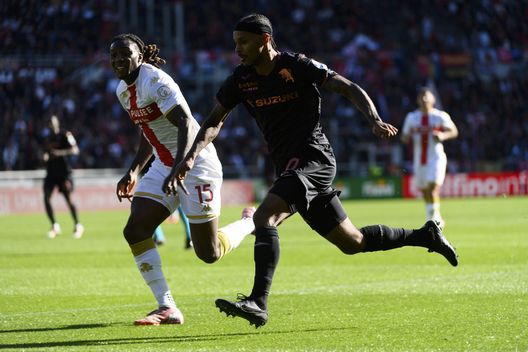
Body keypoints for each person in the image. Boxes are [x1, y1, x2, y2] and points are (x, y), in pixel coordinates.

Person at [170, 14, 459, 328]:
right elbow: (214, 121)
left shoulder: (296, 65)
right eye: (235, 42)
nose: (237, 49)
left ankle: (258, 302)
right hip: (289, 167)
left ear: (264, 40)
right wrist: (189, 157)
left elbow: (347, 87)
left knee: (263, 217)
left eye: (243, 42)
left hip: (314, 160)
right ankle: (425, 235)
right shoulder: (241, 79)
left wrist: (373, 119)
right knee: (353, 242)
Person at [109, 33, 255, 326]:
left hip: (196, 163)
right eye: (113, 56)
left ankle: (250, 222)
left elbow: (186, 123)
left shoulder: (157, 82)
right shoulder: (122, 91)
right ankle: (166, 307)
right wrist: (135, 170)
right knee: (135, 230)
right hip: (165, 164)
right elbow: (148, 131)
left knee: (209, 253)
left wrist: (180, 167)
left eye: (125, 54)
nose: (118, 60)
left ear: (140, 56)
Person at [401, 87, 459, 228]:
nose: (424, 99)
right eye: (421, 97)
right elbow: (403, 137)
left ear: (433, 99)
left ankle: (433, 220)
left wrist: (443, 135)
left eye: (427, 96)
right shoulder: (412, 117)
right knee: (426, 190)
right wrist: (407, 137)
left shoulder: (440, 116)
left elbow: (454, 131)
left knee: (433, 188)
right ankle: (434, 217)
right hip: (419, 159)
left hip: (436, 158)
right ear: (418, 100)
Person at [42, 115, 84, 239]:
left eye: (52, 122)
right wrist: (44, 156)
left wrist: (59, 153)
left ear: (57, 123)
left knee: (68, 199)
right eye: (49, 122)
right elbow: (45, 152)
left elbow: (75, 150)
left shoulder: (65, 135)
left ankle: (78, 224)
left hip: (64, 173)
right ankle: (55, 225)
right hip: (51, 173)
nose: (51, 125)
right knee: (46, 197)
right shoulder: (47, 139)